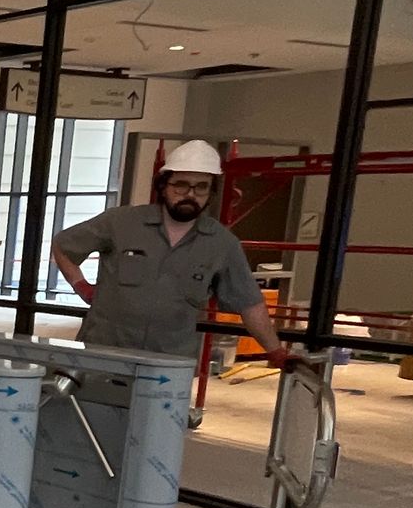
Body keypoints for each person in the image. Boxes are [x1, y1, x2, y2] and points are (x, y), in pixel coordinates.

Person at [50, 140, 299, 364]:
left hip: (167, 365)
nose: (190, 194)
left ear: (211, 192)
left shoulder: (222, 244)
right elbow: (63, 244)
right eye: (181, 185)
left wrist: (275, 351)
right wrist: (81, 285)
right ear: (164, 186)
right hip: (103, 353)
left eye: (201, 187)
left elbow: (250, 304)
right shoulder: (121, 223)